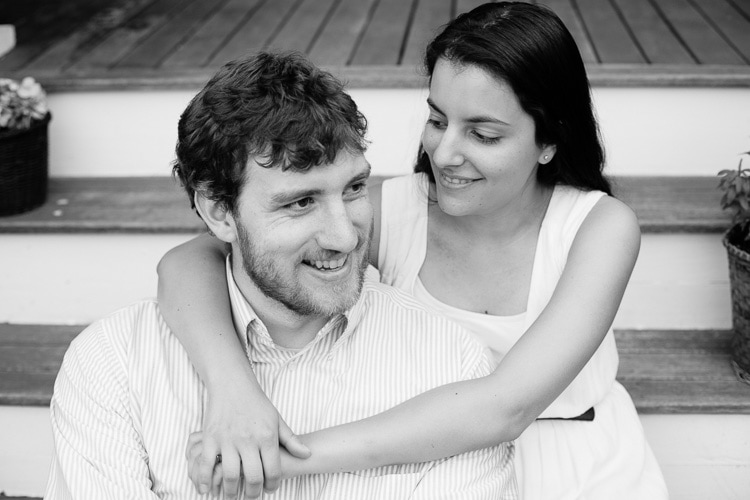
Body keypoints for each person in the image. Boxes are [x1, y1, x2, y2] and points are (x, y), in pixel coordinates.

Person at [157, 3, 669, 499]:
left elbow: (504, 409)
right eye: (438, 120)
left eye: (483, 134)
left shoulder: (598, 227)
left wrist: (282, 457)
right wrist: (234, 391)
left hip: (579, 466)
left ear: (549, 142)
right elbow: (189, 260)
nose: (444, 154)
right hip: (428, 469)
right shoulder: (394, 210)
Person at [44, 51, 517, 500]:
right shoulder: (114, 366)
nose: (346, 239)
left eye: (354, 188)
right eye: (300, 202)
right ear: (219, 212)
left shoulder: (450, 366)